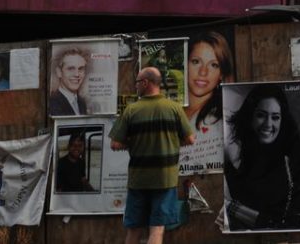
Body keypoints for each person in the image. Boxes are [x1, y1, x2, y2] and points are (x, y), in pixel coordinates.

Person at [110, 67, 195, 244]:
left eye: (137, 82)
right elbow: (190, 139)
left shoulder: (131, 110)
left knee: (133, 230)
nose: (135, 86)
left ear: (145, 83)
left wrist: (135, 144)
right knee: (157, 230)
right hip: (164, 180)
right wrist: (171, 142)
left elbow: (115, 144)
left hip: (138, 180)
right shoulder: (174, 108)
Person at [224, 84, 300, 230]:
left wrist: (230, 207)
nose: (268, 124)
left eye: (275, 117)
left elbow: (273, 221)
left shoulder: (290, 159)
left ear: (282, 120)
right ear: (250, 116)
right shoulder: (241, 153)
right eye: (261, 115)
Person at [180, 32, 233, 169]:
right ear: (184, 64)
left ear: (221, 74)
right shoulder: (168, 110)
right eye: (196, 62)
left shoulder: (222, 122)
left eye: (213, 65)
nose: (203, 72)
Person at [50, 47, 90, 116]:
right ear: (59, 72)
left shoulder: (82, 102)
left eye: (81, 69)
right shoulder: (53, 103)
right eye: (71, 69)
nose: (77, 74)